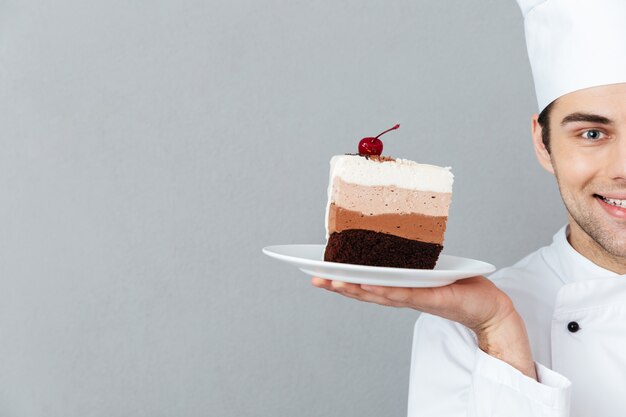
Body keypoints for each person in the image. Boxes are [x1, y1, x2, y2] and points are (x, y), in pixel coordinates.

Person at [313, 1, 626, 416]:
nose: (623, 167)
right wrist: (499, 332)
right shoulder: (462, 326)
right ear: (543, 143)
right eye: (592, 133)